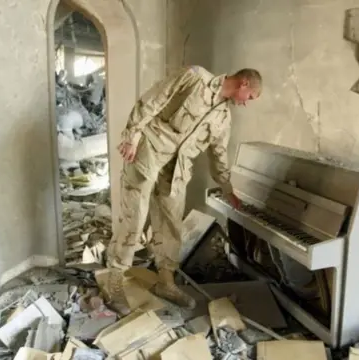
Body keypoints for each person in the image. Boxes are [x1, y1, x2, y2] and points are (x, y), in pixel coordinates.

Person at [100, 65, 262, 315]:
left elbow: (218, 155)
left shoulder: (223, 118)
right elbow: (153, 100)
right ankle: (114, 282)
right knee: (135, 218)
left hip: (177, 169)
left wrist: (227, 188)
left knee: (172, 223)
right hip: (149, 151)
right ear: (244, 84)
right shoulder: (195, 78)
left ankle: (165, 282)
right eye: (250, 97)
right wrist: (131, 135)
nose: (247, 103)